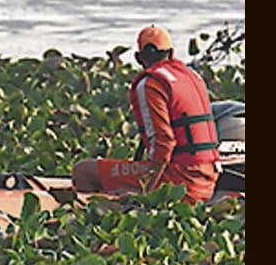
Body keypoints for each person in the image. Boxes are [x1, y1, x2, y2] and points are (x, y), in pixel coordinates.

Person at [72, 25, 222, 203]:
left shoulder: (150, 83)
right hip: (208, 178)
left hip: (180, 180)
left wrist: (146, 192)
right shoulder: (192, 75)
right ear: (172, 53)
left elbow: (164, 142)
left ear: (138, 58)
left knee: (83, 170)